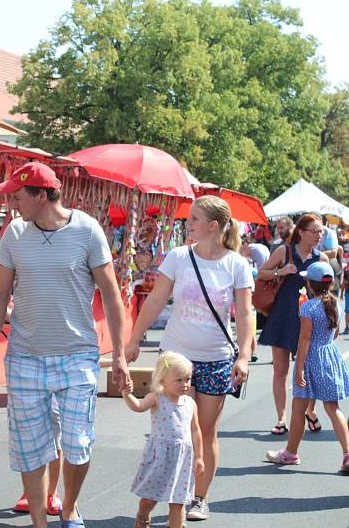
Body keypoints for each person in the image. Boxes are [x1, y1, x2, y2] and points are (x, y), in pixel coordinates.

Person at [0, 161, 130, 528]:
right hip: (25, 357)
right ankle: (39, 522)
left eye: (18, 197)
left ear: (42, 195)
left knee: (78, 444)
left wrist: (122, 355)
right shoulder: (14, 233)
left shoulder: (87, 230)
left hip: (77, 356)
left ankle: (69, 507)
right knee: (30, 449)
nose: (14, 204)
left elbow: (112, 295)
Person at [124, 195, 254, 522]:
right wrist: (134, 339)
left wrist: (244, 356)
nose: (187, 223)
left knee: (204, 431)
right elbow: (155, 300)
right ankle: (167, 493)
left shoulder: (236, 264)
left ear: (213, 226)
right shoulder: (179, 257)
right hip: (176, 357)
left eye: (193, 218)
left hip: (215, 359)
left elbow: (245, 312)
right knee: (173, 432)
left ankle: (199, 497)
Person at [0, 264, 64, 517]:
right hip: (26, 369)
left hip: (58, 370)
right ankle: (31, 491)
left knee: (55, 436)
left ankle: (52, 493)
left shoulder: (63, 296)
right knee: (28, 436)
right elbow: (7, 313)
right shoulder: (23, 295)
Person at [265, 261, 349, 473]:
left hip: (311, 358)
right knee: (333, 408)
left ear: (309, 284)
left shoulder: (307, 307)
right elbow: (334, 332)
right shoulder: (335, 303)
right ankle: (348, 453)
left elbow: (305, 339)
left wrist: (299, 368)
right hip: (329, 355)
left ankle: (291, 452)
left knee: (298, 408)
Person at [257, 213, 328, 436]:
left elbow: (329, 291)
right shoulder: (284, 251)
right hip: (283, 315)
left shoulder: (321, 258)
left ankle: (310, 410)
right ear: (302, 232)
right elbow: (261, 273)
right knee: (281, 370)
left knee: (309, 369)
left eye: (321, 231)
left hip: (309, 318)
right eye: (315, 231)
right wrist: (280, 271)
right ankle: (281, 418)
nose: (319, 235)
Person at [122, 352, 203, 528]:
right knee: (150, 497)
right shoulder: (157, 398)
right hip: (161, 456)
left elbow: (196, 430)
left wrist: (199, 457)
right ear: (162, 380)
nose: (185, 384)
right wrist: (127, 395)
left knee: (178, 501)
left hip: (183, 459)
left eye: (187, 379)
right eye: (179, 380)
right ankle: (143, 515)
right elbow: (138, 407)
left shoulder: (190, 403)